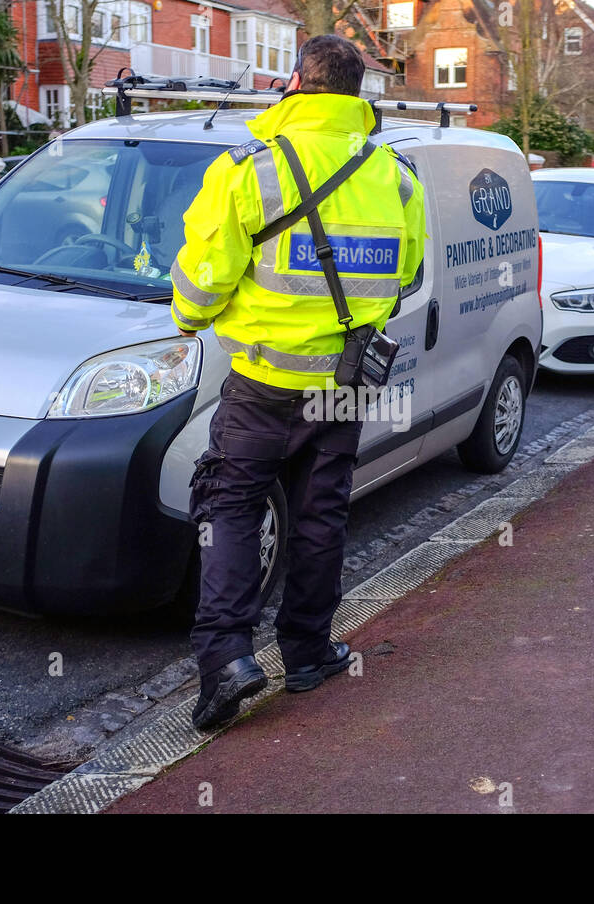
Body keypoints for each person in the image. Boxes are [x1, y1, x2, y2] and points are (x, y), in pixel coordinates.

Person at [169, 35, 426, 731]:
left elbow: (196, 295)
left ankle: (226, 659)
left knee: (230, 511)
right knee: (321, 515)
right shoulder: (396, 176)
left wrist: (200, 312)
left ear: (294, 83)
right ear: (358, 93)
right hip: (341, 384)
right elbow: (405, 276)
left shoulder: (246, 169)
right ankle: (308, 655)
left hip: (260, 385)